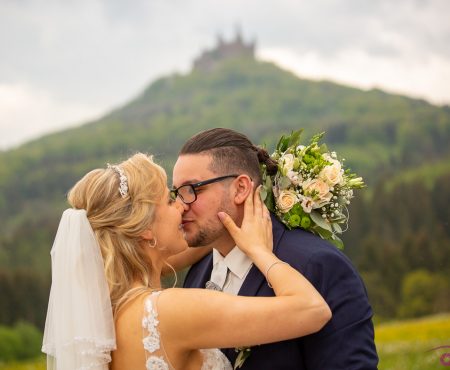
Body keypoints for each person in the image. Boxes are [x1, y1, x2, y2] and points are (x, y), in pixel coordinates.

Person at [42, 152, 331, 370]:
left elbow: (183, 248)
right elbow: (313, 310)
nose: (181, 205)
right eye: (169, 201)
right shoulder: (168, 310)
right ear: (144, 229)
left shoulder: (111, 312)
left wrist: (224, 224)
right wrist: (259, 251)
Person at [173, 128, 379, 369]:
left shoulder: (318, 265)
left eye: (192, 190)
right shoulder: (198, 271)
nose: (180, 206)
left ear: (240, 188)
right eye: (176, 192)